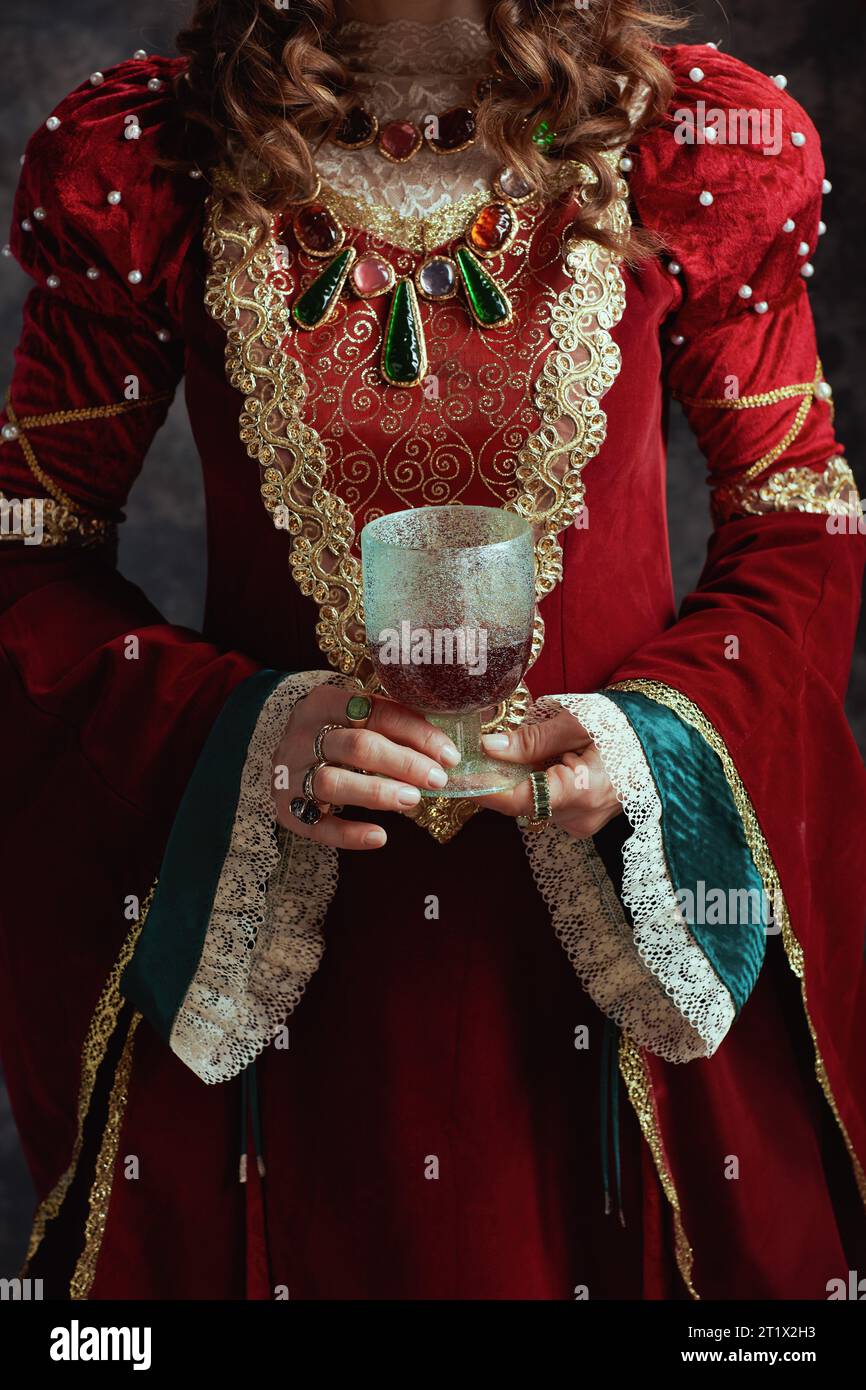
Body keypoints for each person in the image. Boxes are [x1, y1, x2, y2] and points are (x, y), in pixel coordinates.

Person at [1, 0, 864, 1300]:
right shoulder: (155, 156)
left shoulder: (689, 141)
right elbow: (26, 546)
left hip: (597, 956)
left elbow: (799, 514)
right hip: (297, 988)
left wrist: (651, 748)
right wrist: (246, 733)